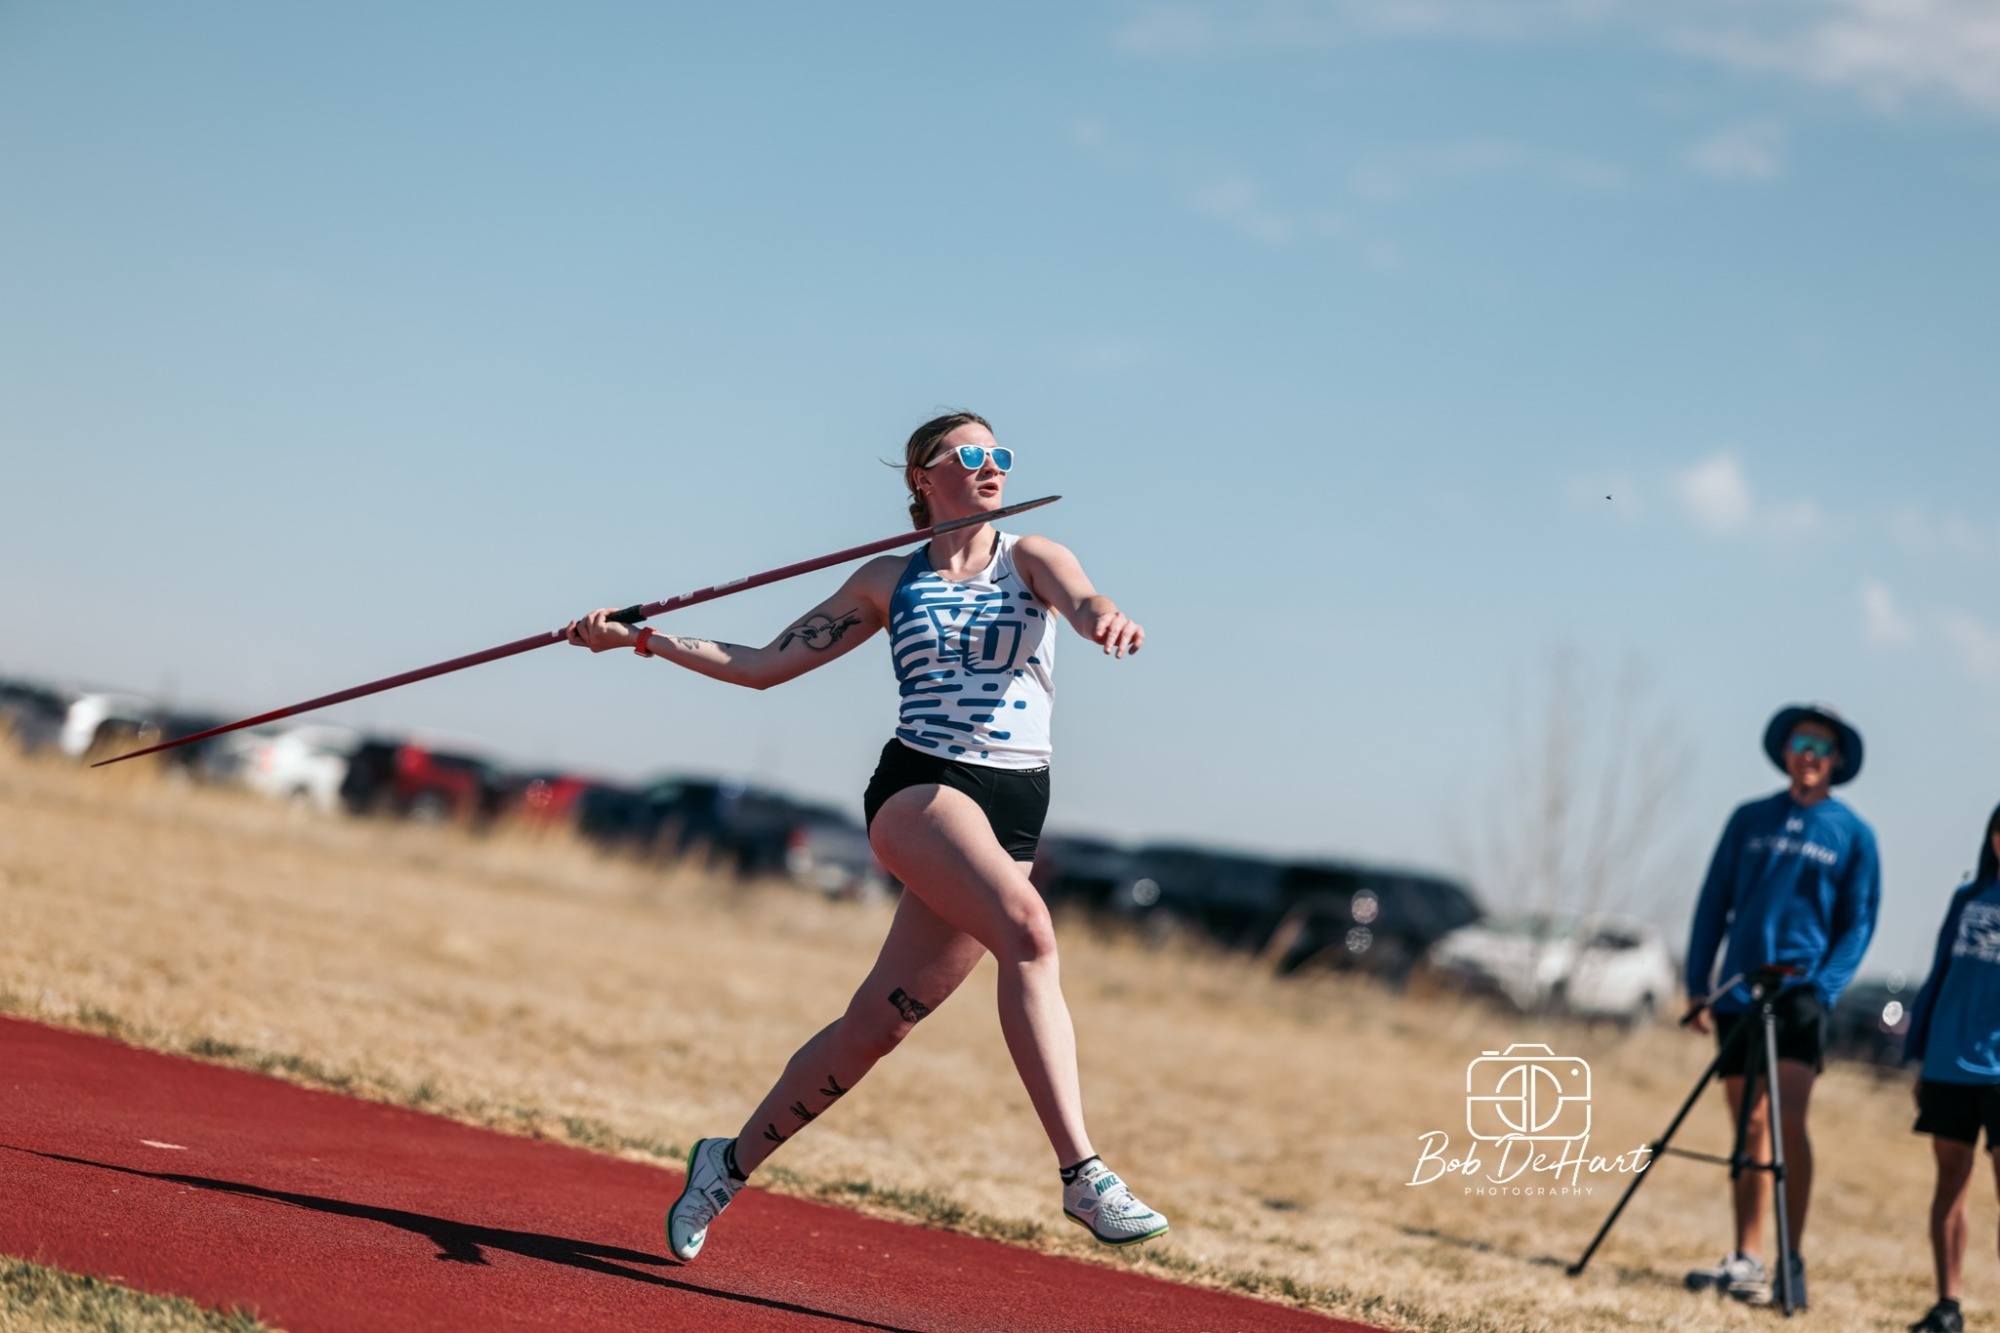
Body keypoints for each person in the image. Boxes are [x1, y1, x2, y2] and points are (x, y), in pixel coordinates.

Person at [563, 411, 1170, 1262]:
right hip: (922, 788)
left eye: (1001, 454)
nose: (992, 466)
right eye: (971, 456)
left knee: (878, 1026)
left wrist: (1107, 618)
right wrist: (644, 638)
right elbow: (765, 665)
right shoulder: (891, 578)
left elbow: (1083, 597)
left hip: (1015, 804)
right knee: (1030, 935)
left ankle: (725, 1163)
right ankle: (1085, 1174)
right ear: (925, 477)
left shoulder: (1031, 557)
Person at [1681, 703, 1882, 1309]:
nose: (1811, 755)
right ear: (1787, 751)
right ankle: (1746, 1256)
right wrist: (1699, 985)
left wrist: (1823, 988)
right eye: (1802, 742)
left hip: (1800, 998)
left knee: (1787, 1118)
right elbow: (1714, 901)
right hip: (1742, 993)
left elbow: (1859, 922)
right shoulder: (1749, 819)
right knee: (1748, 1123)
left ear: (1838, 760)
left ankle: (1791, 1258)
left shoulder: (1853, 833)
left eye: (1823, 746)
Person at [1900, 801, 2000, 1333]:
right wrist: (1918, 1054)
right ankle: (1948, 1305)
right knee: (1950, 1183)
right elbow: (1939, 976)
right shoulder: (1968, 899)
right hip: (1948, 1065)